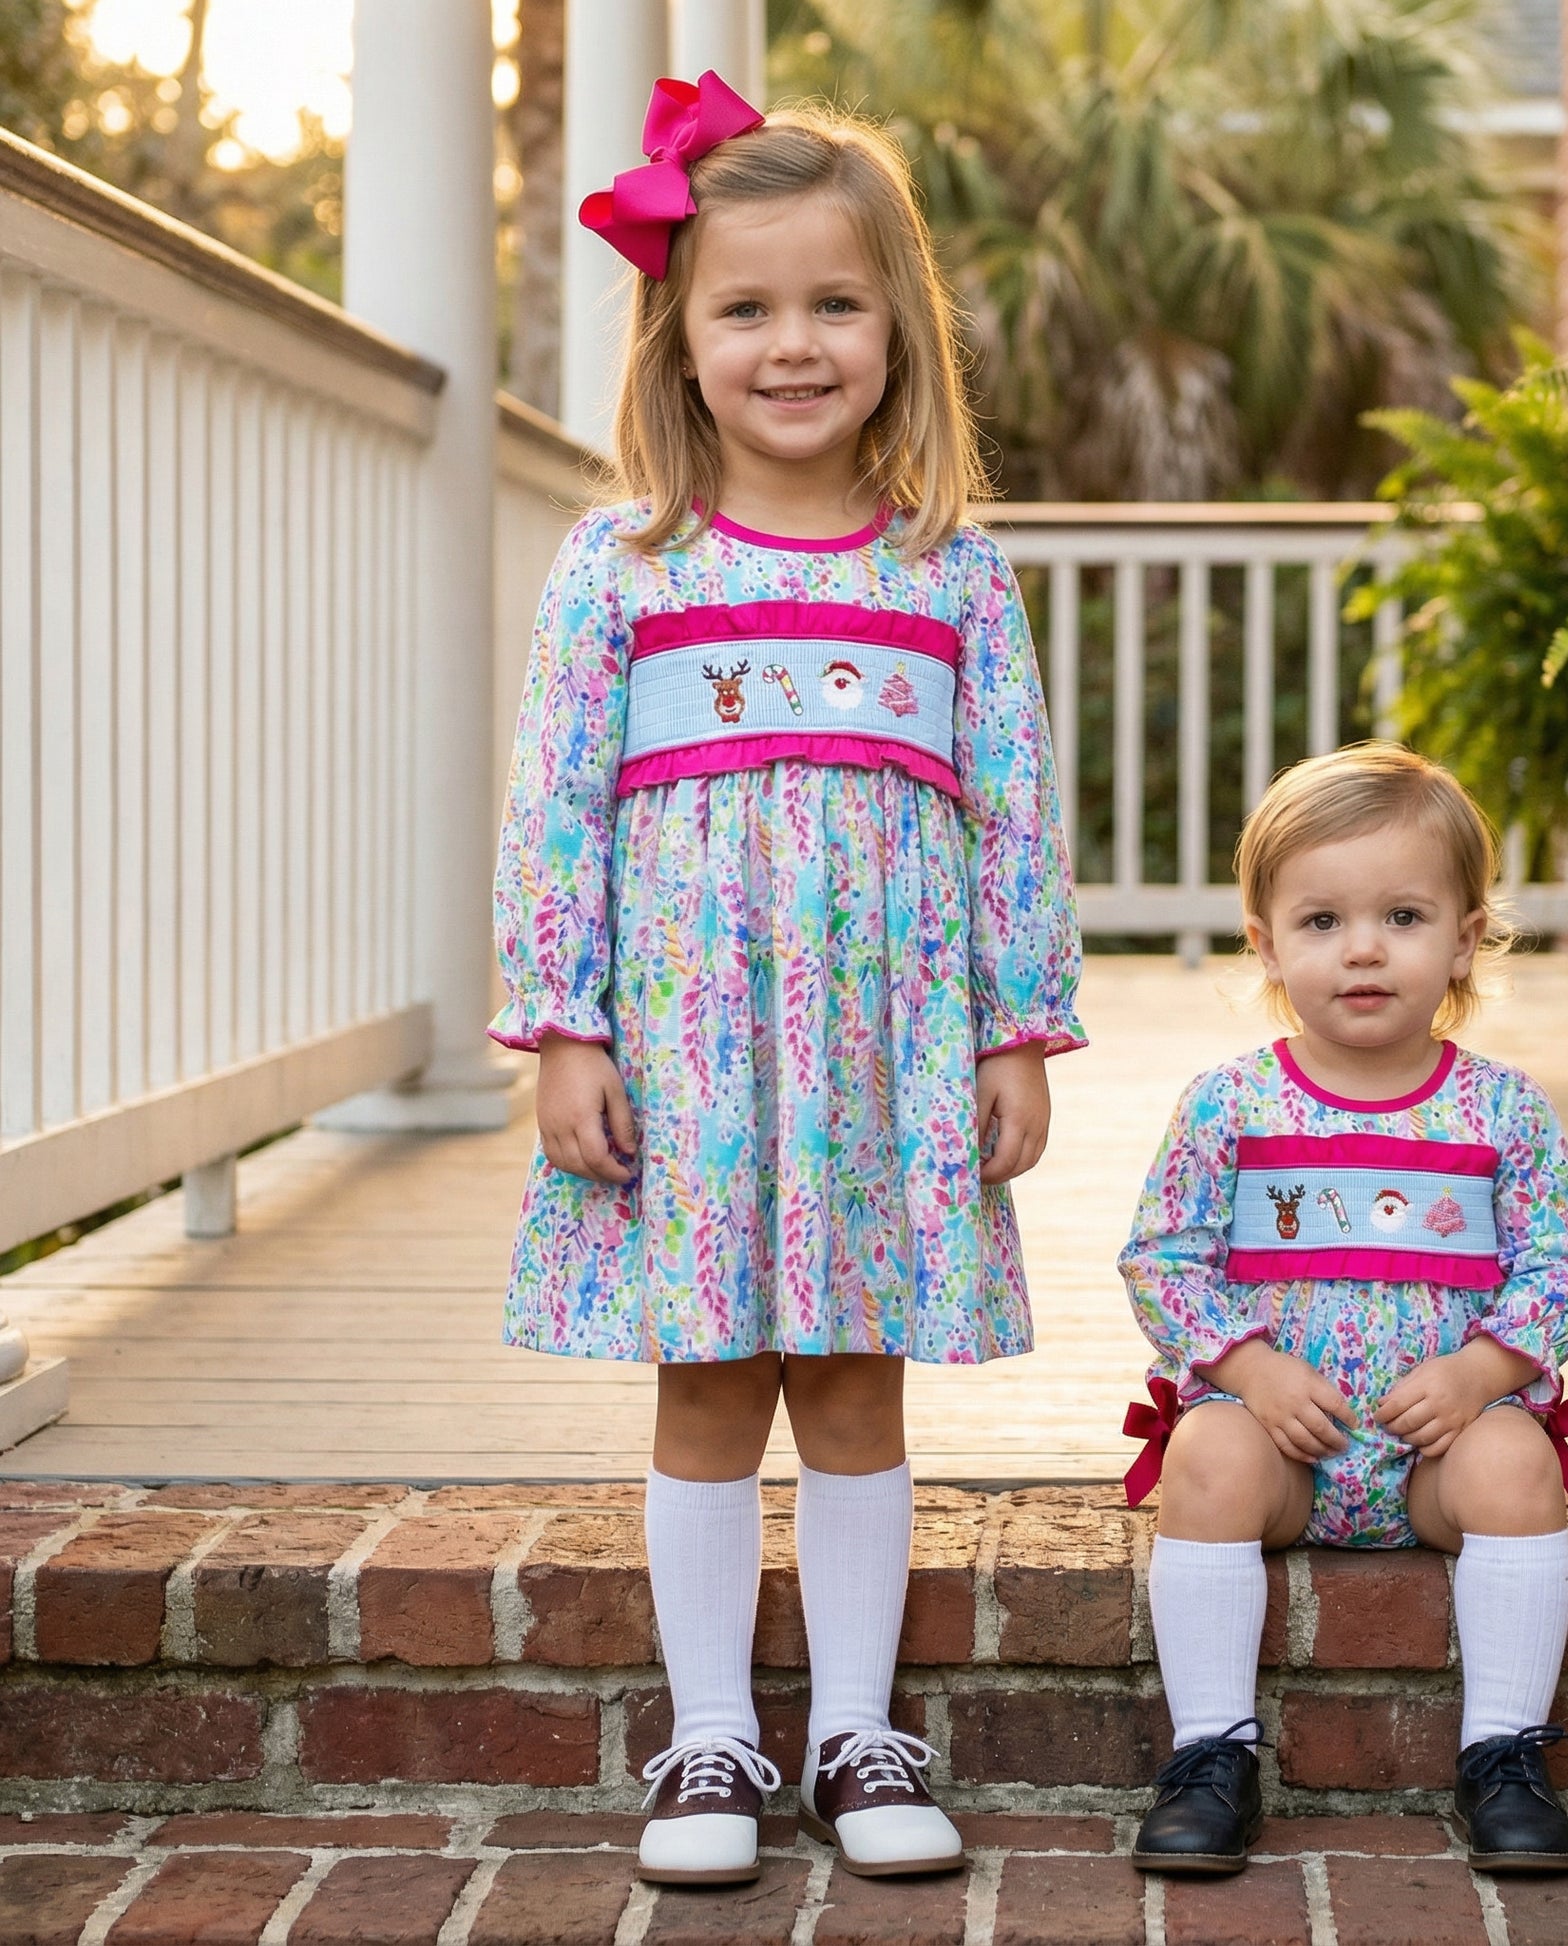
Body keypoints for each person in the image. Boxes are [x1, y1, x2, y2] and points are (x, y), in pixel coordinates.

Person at [491, 73, 1084, 1888]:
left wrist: (1014, 1030)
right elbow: (555, 806)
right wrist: (566, 1025)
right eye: (746, 308)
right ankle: (710, 1743)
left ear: (900, 329)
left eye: (834, 303)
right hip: (683, 1049)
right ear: (683, 338)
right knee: (704, 1384)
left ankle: (854, 1727)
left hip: (882, 1056)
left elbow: (1013, 814)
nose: (793, 343)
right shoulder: (626, 566)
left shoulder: (950, 577)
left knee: (850, 1383)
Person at [1118, 743, 1568, 1878]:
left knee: (1516, 1466)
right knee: (1202, 1453)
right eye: (1322, 920)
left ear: (1466, 937)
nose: (1364, 948)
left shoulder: (1499, 1109)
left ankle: (1503, 1753)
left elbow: (1562, 1264)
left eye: (1401, 914)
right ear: (1265, 941)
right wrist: (1246, 1369)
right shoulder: (1230, 1101)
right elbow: (1161, 1258)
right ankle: (1210, 1755)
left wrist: (1485, 1372)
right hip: (1287, 1445)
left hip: (1431, 1451)